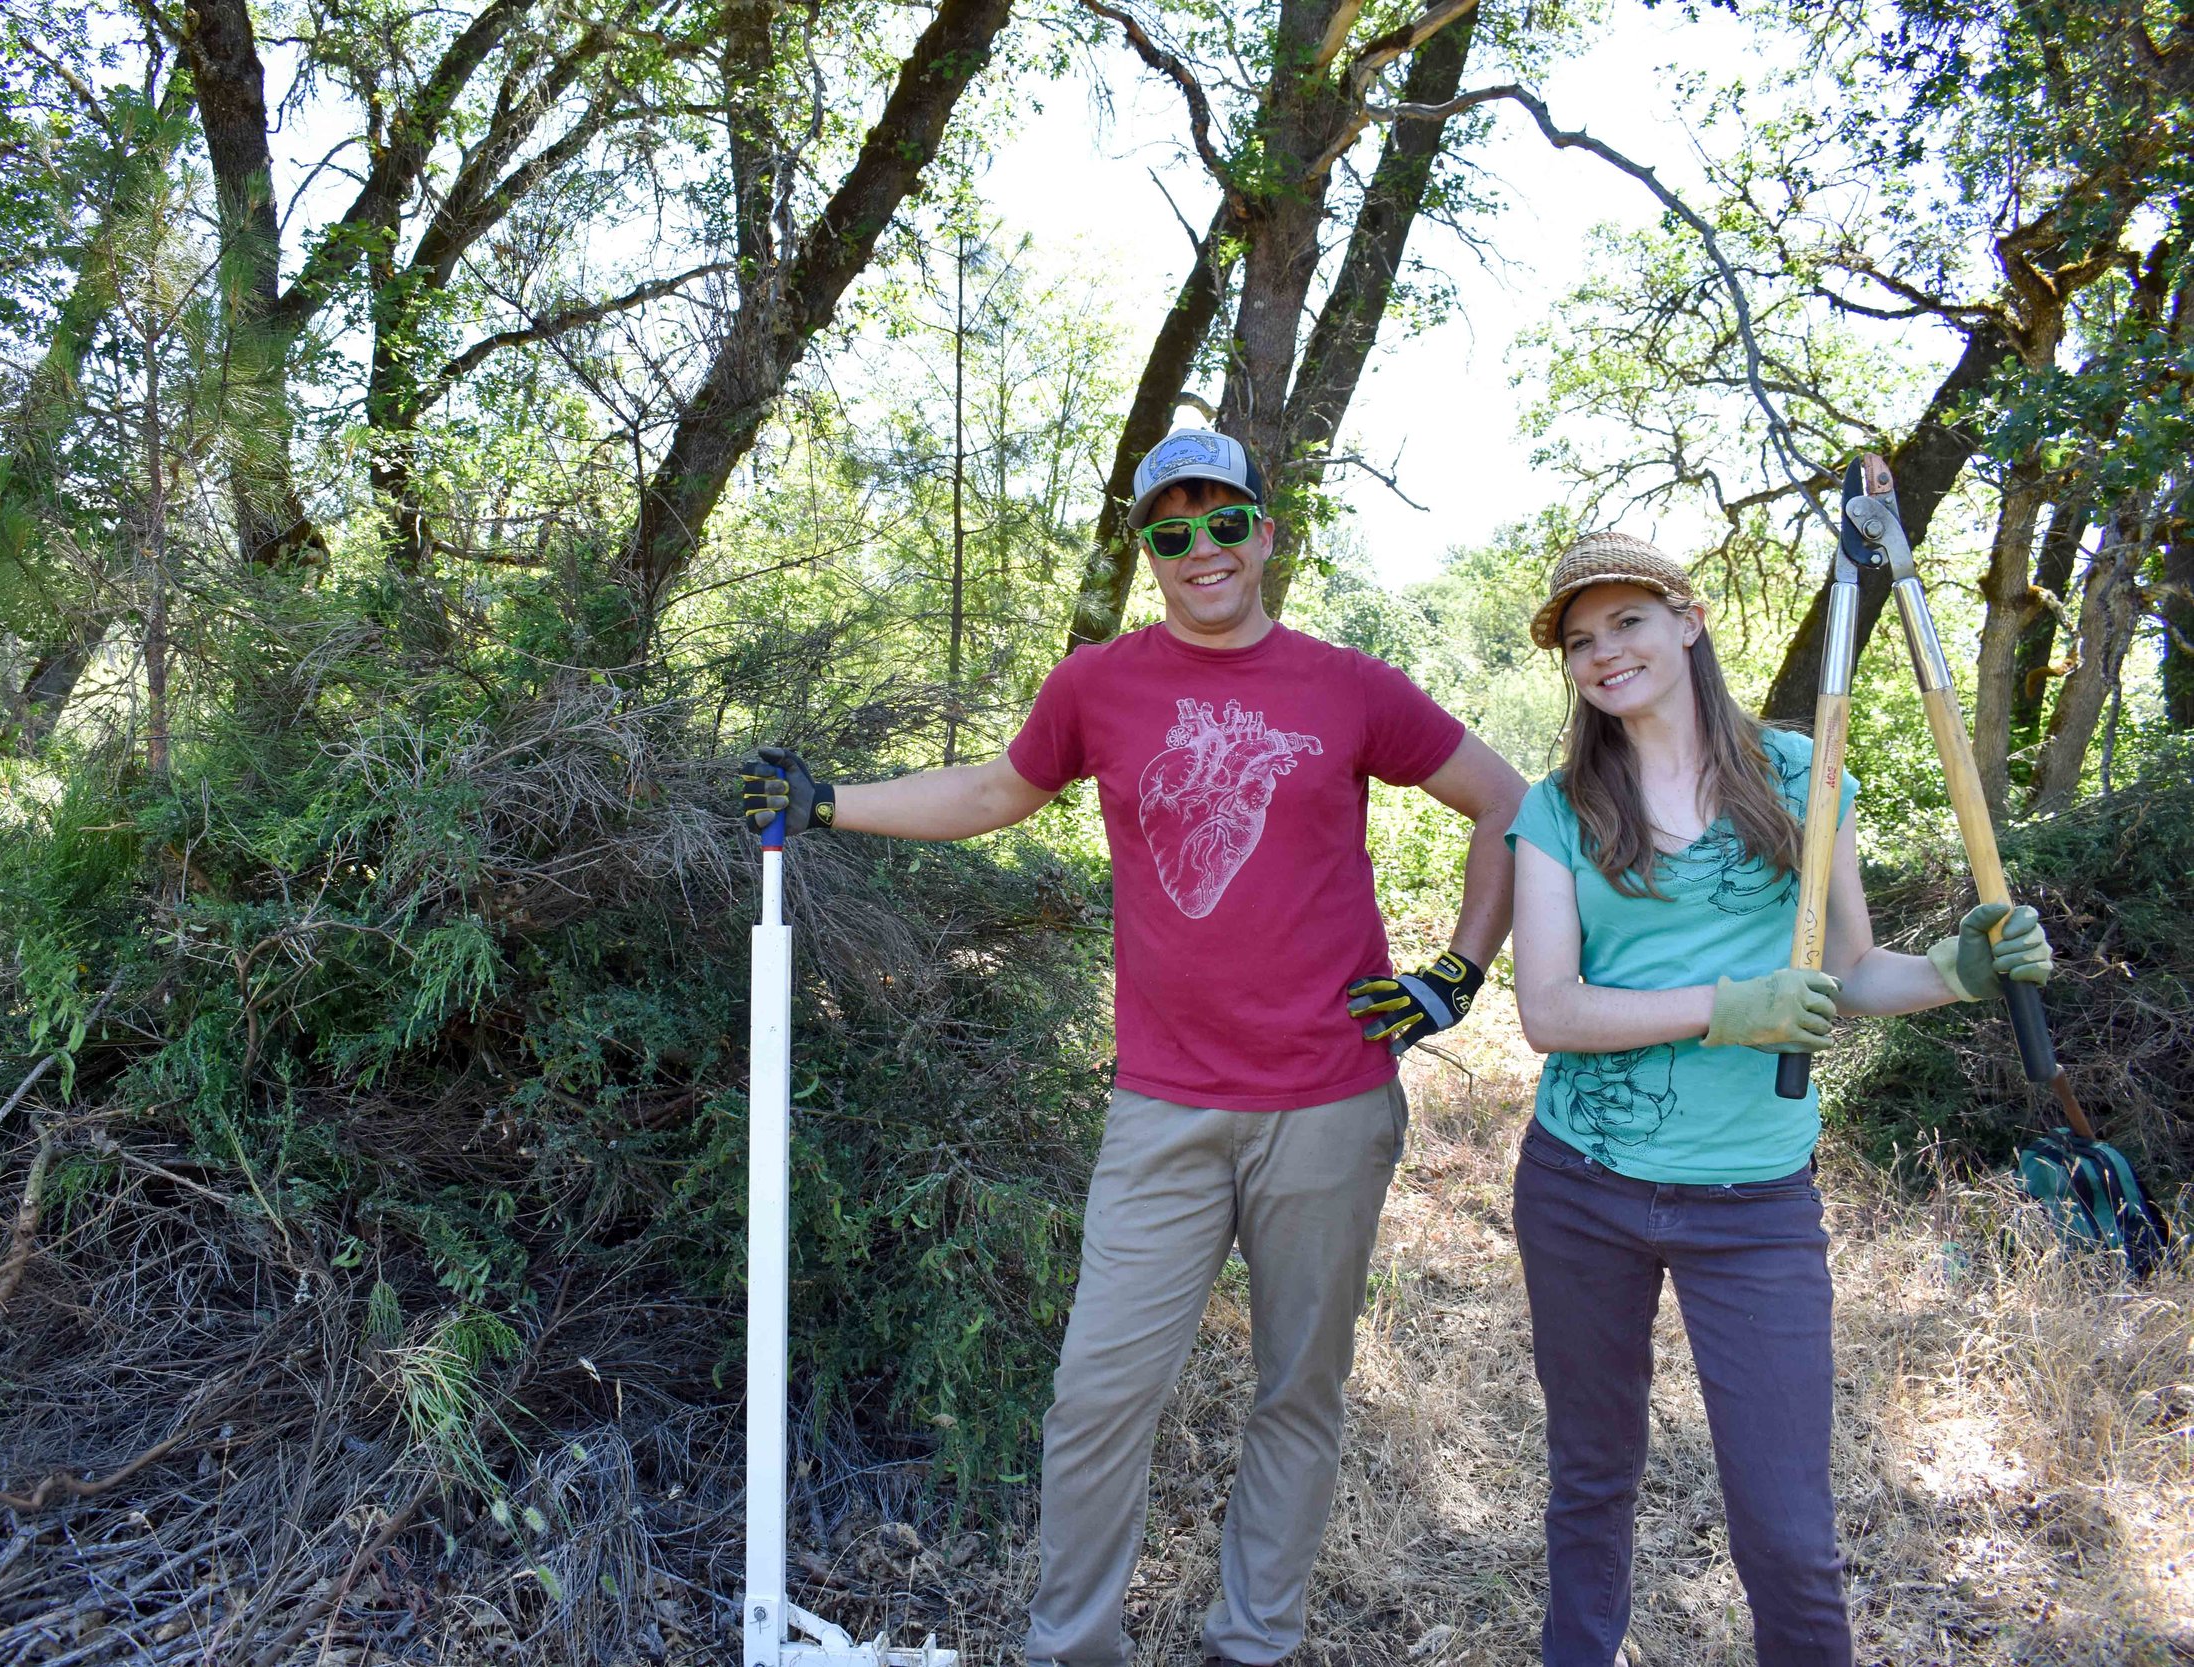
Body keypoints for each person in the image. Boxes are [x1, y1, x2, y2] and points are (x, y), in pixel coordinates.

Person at [740, 427, 1526, 1667]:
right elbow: (992, 793)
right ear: (1145, 550)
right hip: (1163, 1104)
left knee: (1297, 1390)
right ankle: (1073, 1647)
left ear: (1266, 534)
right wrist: (828, 802)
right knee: (1099, 1394)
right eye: (1171, 529)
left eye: (1224, 522)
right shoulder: (1095, 684)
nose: (1200, 547)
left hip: (1328, 1101)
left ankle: (1251, 1643)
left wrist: (1456, 974)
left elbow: (1507, 801)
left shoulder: (1349, 686)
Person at [1505, 532, 2054, 1667]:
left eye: (1627, 621)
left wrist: (1955, 971)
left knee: (1788, 1525)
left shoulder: (1806, 774)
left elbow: (1848, 973)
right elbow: (1549, 1011)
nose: (1604, 652)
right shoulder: (1557, 809)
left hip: (1753, 1200)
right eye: (1579, 638)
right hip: (1581, 1186)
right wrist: (1726, 1004)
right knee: (1591, 1475)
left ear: (1688, 619)